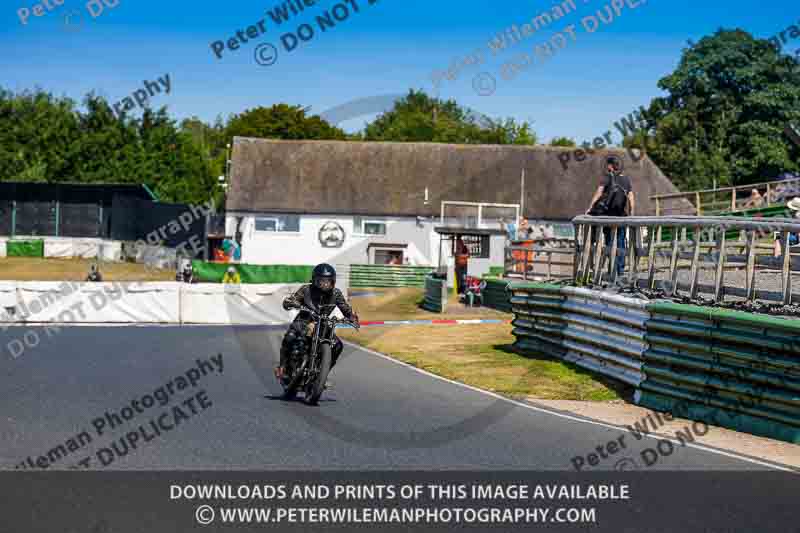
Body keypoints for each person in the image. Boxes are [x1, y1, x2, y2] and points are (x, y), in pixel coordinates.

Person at [275, 263, 359, 384]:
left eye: (328, 281)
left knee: (338, 345)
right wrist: (290, 302)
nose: (325, 284)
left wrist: (352, 317)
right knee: (290, 337)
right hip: (303, 321)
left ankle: (322, 374)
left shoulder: (336, 293)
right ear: (315, 280)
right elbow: (293, 299)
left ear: (333, 281)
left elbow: (345, 308)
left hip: (323, 324)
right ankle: (282, 367)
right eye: (321, 281)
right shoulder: (306, 289)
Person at [586, 155, 635, 277]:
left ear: (610, 166)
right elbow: (631, 198)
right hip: (621, 217)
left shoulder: (607, 178)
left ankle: (612, 268)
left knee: (610, 242)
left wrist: (590, 208)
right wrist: (631, 213)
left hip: (608, 217)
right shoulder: (626, 180)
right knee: (621, 242)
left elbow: (598, 193)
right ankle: (620, 270)